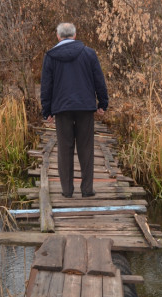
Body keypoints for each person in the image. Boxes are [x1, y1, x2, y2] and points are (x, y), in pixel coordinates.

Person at [40, 22, 109, 198]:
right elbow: (98, 80)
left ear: (58, 36)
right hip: (85, 107)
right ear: (75, 35)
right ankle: (87, 190)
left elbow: (46, 86)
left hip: (62, 108)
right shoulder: (89, 53)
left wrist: (46, 110)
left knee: (64, 148)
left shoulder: (51, 56)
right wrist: (103, 103)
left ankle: (67, 190)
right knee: (86, 148)